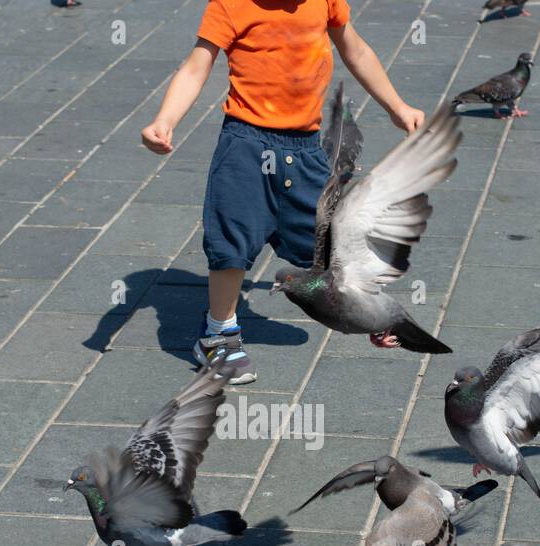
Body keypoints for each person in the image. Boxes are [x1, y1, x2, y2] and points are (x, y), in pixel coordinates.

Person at [140, 0, 424, 384]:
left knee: (324, 247)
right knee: (231, 241)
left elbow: (355, 49)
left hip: (304, 149)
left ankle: (368, 315)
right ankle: (218, 333)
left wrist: (396, 106)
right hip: (246, 145)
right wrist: (165, 120)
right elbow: (196, 66)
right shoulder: (229, 5)